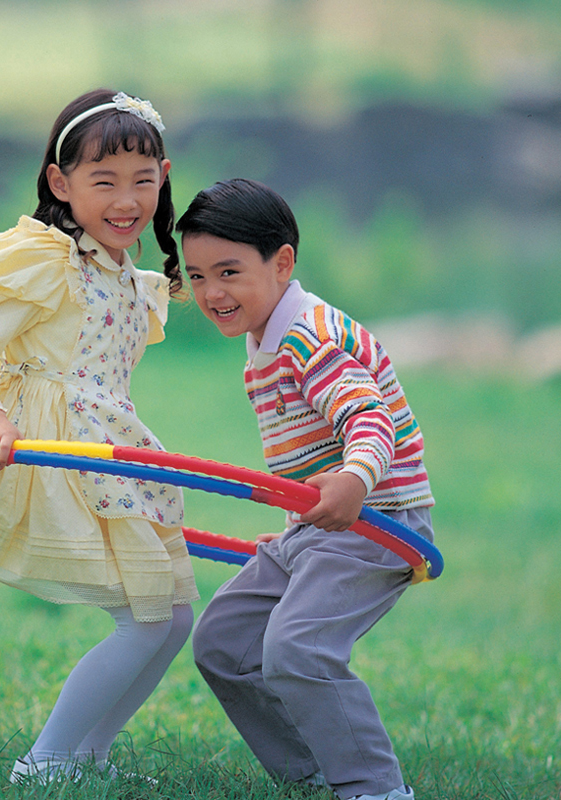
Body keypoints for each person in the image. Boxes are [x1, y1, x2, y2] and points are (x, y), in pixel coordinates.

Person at [0, 89, 199, 784]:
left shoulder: (132, 278)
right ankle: (43, 762)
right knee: (144, 619)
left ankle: (86, 757)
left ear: (162, 177)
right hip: (59, 452)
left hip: (116, 449)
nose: (126, 200)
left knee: (176, 618)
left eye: (141, 180)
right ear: (60, 183)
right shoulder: (48, 262)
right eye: (104, 182)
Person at [176, 178, 435, 800]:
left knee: (297, 647)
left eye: (229, 272)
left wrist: (352, 480)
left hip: (379, 521)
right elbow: (309, 453)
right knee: (223, 643)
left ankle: (374, 787)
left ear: (282, 261)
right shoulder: (262, 335)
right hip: (319, 524)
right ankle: (310, 773)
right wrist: (305, 523)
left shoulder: (308, 335)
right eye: (198, 275)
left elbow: (368, 418)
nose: (212, 293)